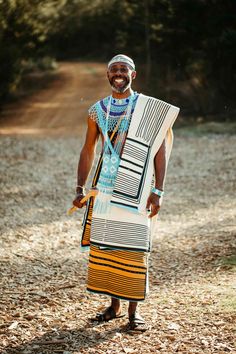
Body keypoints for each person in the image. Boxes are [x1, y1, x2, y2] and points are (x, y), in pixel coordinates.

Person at [73, 54, 179, 331]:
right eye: (113, 70)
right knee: (108, 246)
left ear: (134, 75)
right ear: (107, 75)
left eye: (124, 69)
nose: (118, 73)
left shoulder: (147, 109)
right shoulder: (97, 110)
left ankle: (134, 311)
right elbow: (88, 150)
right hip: (105, 188)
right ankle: (114, 306)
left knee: (134, 247)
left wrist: (158, 190)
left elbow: (160, 150)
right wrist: (79, 187)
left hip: (139, 188)